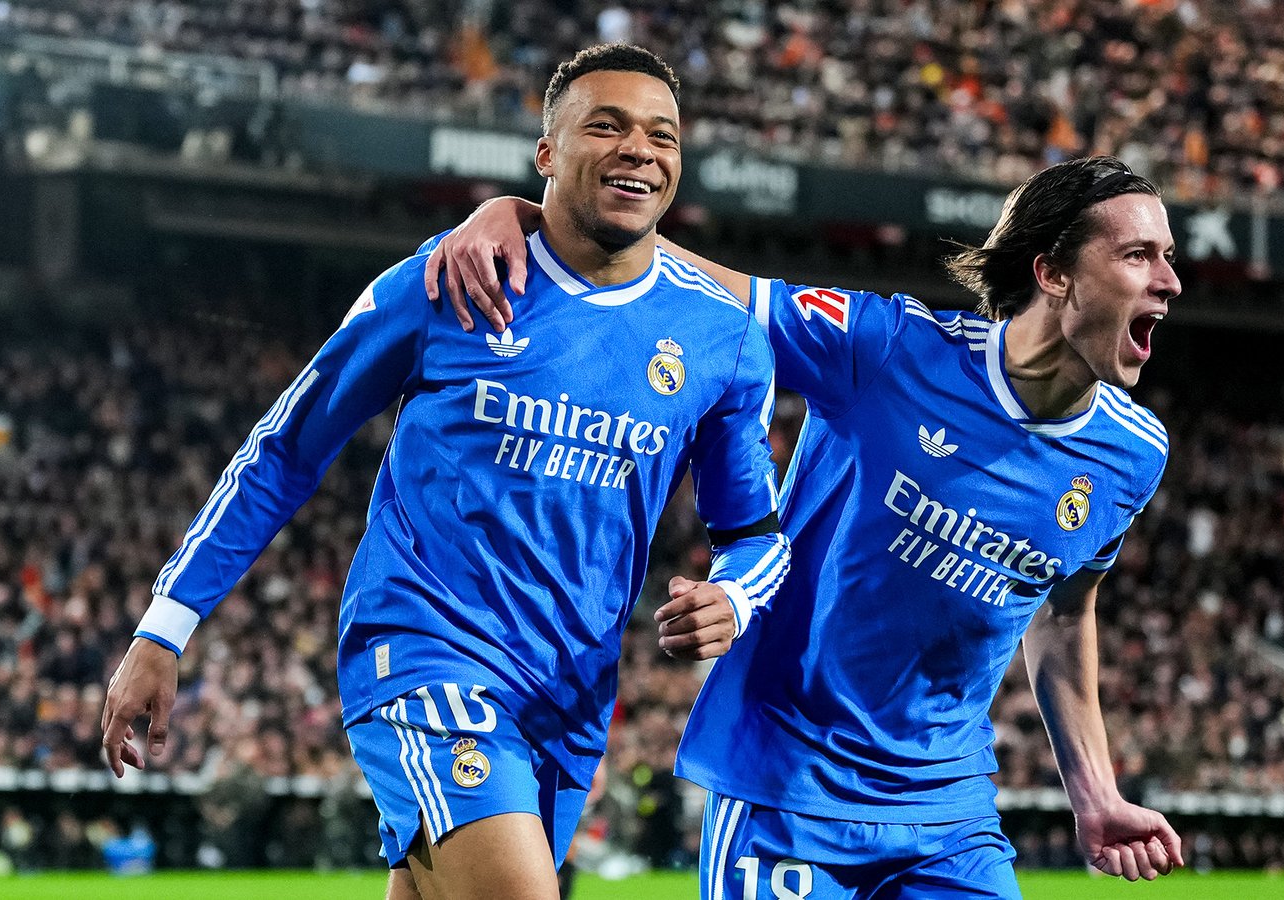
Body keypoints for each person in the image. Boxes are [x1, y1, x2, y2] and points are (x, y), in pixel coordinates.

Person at [100, 43, 790, 900]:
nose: (639, 150)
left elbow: (756, 538)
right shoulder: (446, 283)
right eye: (605, 125)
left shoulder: (722, 341)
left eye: (663, 135)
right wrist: (165, 626)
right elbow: (285, 448)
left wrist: (733, 597)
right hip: (425, 649)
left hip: (570, 693)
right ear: (547, 153)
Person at [430, 154, 1187, 897]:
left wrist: (1094, 794)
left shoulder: (1133, 453)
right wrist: (537, 220)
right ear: (1052, 272)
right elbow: (705, 286)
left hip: (946, 819)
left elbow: (1062, 610)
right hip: (784, 793)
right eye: (1138, 255)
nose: (1169, 281)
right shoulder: (887, 348)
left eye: (1169, 258)